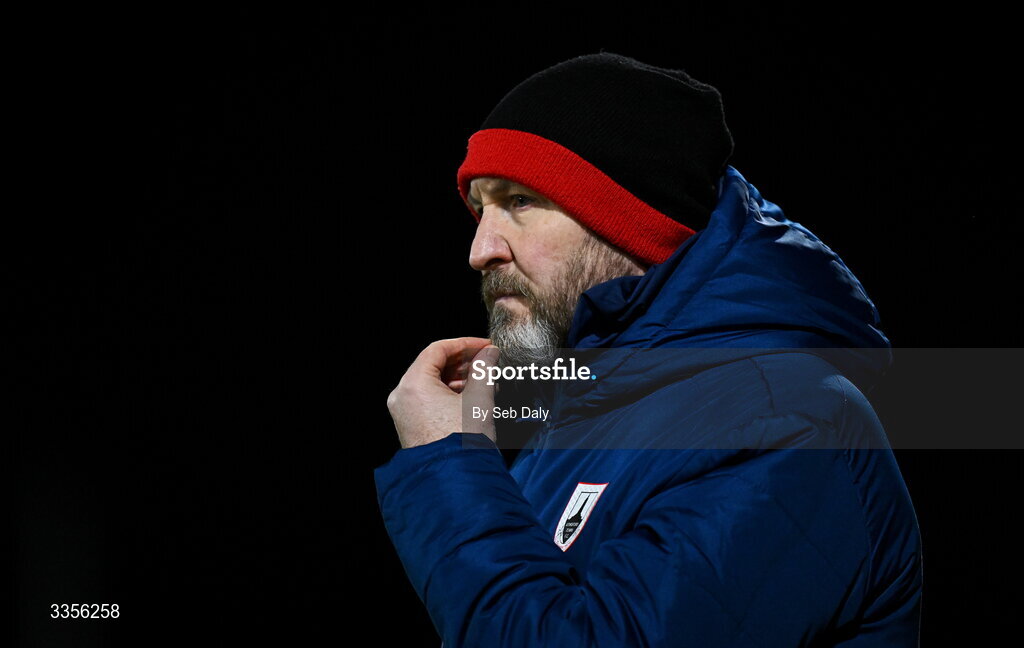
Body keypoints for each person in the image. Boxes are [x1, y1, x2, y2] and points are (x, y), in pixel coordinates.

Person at [376, 52, 923, 647]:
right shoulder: (581, 411)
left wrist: (449, 462)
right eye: (481, 209)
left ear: (631, 219)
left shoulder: (787, 422)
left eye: (520, 202)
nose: (480, 249)